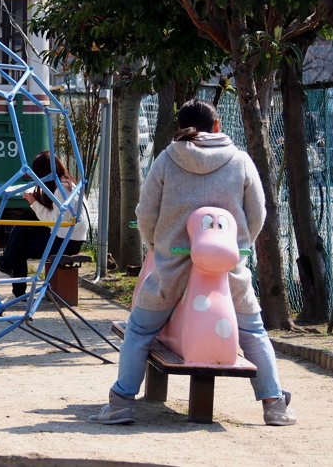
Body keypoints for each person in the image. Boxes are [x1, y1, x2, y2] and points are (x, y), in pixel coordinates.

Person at [88, 99, 297, 426]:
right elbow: (258, 214)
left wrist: (159, 246)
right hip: (227, 270)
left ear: (181, 126)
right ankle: (274, 404)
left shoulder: (168, 158)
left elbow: (145, 214)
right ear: (217, 125)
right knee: (253, 332)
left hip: (172, 266)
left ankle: (121, 403)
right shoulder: (240, 161)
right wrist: (239, 248)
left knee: (140, 330)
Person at [0, 151, 88, 297]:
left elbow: (54, 221)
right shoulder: (68, 184)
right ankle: (7, 273)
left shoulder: (61, 190)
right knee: (20, 230)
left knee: (19, 246)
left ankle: (11, 281)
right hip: (68, 237)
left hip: (66, 241)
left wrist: (34, 203)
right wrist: (36, 202)